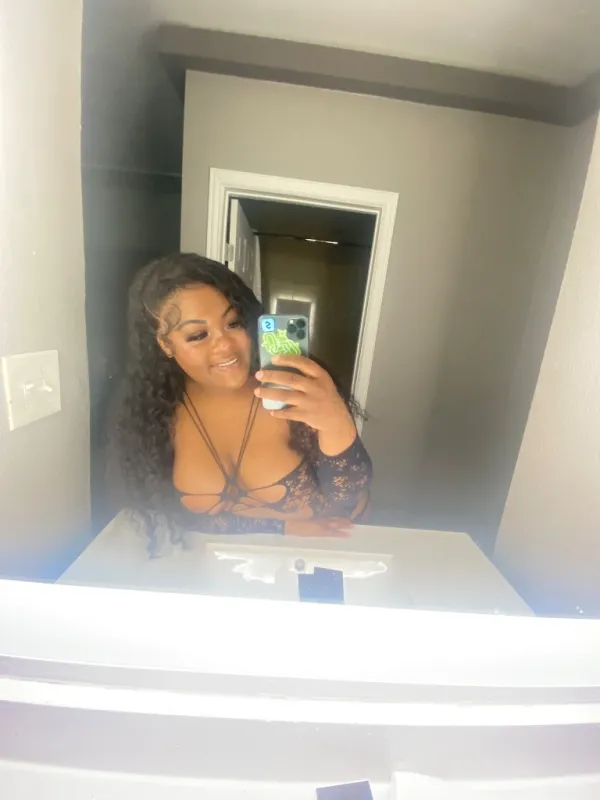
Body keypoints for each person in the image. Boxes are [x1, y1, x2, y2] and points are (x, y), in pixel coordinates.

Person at [110, 252, 372, 544]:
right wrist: (282, 527)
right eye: (198, 335)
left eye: (233, 323)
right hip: (213, 567)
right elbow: (173, 514)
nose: (225, 346)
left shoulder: (295, 391)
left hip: (306, 560)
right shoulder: (154, 414)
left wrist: (336, 422)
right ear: (165, 344)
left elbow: (348, 506)